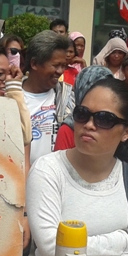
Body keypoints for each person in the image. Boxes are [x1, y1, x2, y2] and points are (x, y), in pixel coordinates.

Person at [24, 76, 128, 256]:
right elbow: (50, 248)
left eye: (104, 119)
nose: (89, 124)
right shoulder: (48, 170)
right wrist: (120, 241)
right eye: (82, 114)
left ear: (127, 132)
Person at [22, 30, 75, 165]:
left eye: (63, 65)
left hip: (55, 181)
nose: (60, 71)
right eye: (56, 65)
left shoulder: (68, 96)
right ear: (34, 64)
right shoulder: (11, 98)